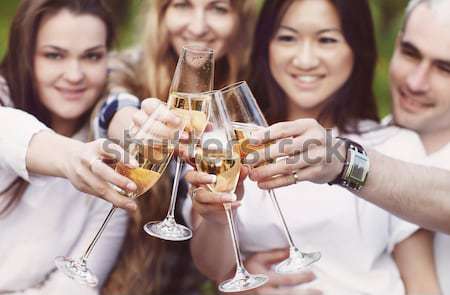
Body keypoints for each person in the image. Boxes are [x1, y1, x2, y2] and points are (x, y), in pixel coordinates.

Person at [184, 0, 441, 294]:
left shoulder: (393, 147)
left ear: (356, 48)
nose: (305, 60)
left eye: (327, 40)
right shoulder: (229, 142)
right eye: (288, 38)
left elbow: (422, 283)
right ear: (266, 45)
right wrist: (217, 220)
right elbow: (215, 271)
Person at [93, 1, 286, 295]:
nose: (198, 26)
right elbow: (114, 110)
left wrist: (240, 268)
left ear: (240, 20)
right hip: (107, 283)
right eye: (183, 5)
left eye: (218, 9)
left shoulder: (252, 92)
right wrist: (140, 129)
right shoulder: (125, 69)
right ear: (161, 13)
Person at [0, 0, 129, 293]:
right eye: (54, 55)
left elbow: (76, 286)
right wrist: (73, 158)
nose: (74, 75)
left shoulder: (111, 158)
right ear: (26, 57)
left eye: (92, 56)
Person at [388, 0, 450, 292]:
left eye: (445, 69)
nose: (415, 82)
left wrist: (346, 164)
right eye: (410, 53)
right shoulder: (358, 138)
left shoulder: (340, 156)